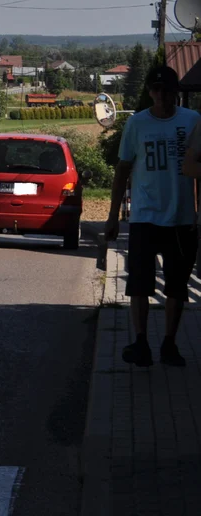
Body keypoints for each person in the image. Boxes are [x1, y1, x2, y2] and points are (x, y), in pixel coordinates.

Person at [107, 66, 200, 367]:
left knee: (176, 285)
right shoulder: (137, 124)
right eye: (157, 90)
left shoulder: (193, 121)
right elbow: (122, 170)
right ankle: (141, 342)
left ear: (175, 93)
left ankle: (170, 344)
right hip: (144, 217)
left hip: (181, 217)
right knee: (139, 285)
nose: (162, 96)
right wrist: (112, 216)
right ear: (150, 91)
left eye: (167, 90)